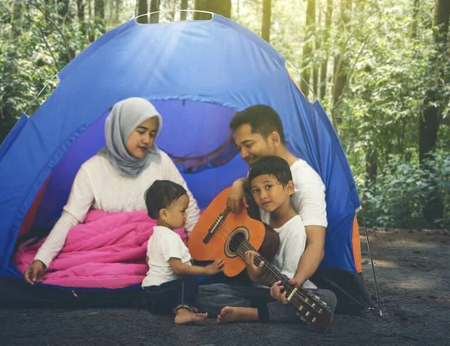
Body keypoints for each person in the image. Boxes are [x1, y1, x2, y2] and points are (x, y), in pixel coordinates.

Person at [23, 97, 201, 285]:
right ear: (121, 129)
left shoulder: (160, 161)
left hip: (153, 250)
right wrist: (42, 259)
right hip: (106, 253)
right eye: (141, 131)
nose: (147, 140)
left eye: (152, 134)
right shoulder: (91, 169)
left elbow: (187, 205)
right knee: (79, 261)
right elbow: (70, 218)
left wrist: (198, 249)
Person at [215, 156, 337, 324]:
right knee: (205, 292)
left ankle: (252, 313)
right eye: (256, 190)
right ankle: (268, 311)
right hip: (260, 293)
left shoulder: (295, 230)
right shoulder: (263, 212)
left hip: (287, 291)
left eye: (268, 187)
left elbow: (287, 283)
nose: (263, 195)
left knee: (327, 298)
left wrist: (262, 281)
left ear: (289, 188)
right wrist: (237, 185)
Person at [226, 105, 327, 290]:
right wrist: (239, 184)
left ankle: (258, 310)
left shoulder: (306, 181)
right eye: (239, 148)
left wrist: (294, 284)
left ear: (274, 139)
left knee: (323, 298)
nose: (243, 155)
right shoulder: (257, 172)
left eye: (248, 145)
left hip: (289, 278)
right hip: (262, 271)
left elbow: (316, 246)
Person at [142, 180, 224, 324]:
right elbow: (178, 268)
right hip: (162, 293)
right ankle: (182, 311)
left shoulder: (156, 235)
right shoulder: (170, 237)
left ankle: (177, 307)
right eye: (182, 211)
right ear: (165, 214)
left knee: (186, 281)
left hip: (151, 294)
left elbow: (149, 260)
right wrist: (207, 270)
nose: (186, 215)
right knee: (188, 281)